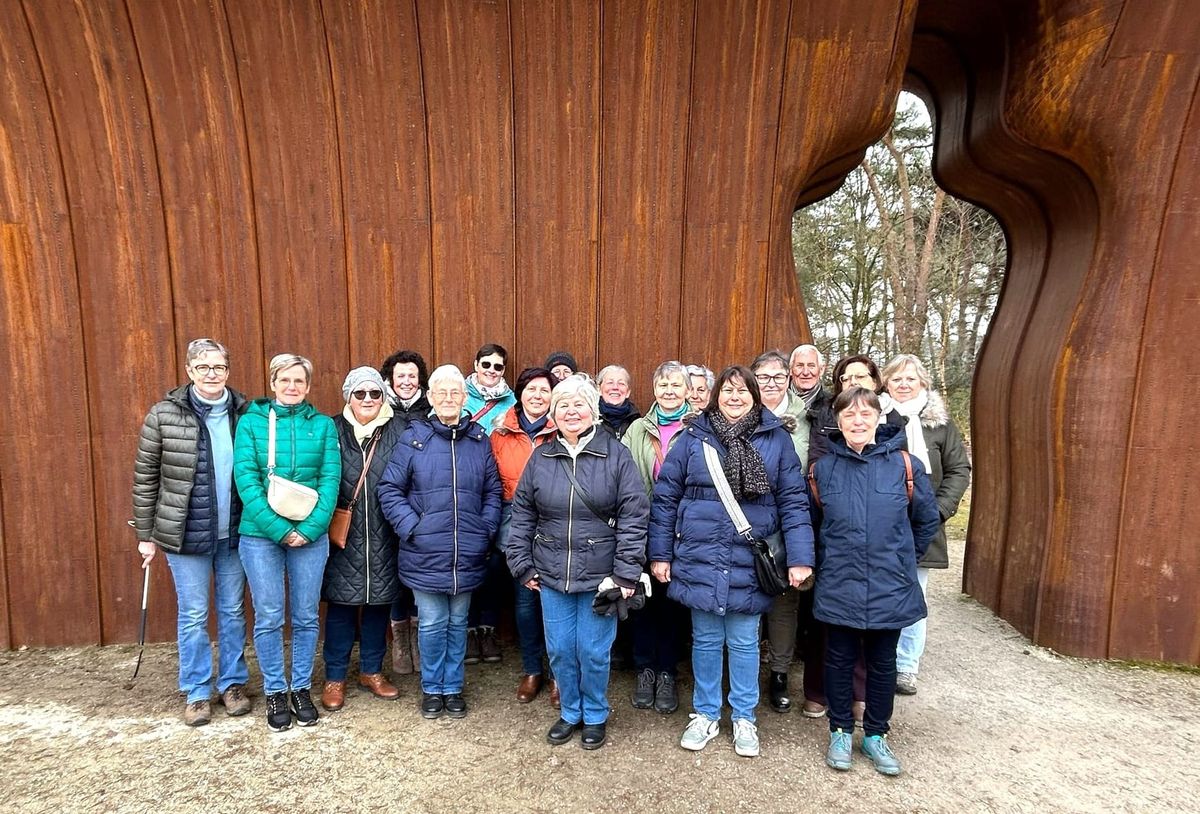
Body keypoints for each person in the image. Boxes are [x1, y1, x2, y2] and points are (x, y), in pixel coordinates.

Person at [649, 363, 814, 756]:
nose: (734, 397)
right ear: (714, 395)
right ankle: (705, 713)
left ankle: (743, 717)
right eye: (727, 391)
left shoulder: (776, 440)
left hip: (750, 558)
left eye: (743, 391)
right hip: (699, 553)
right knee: (705, 640)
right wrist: (660, 553)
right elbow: (666, 497)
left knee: (743, 642)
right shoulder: (693, 439)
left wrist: (800, 558)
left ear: (755, 396)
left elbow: (793, 502)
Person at [505, 375, 649, 750]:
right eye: (563, 405)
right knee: (560, 650)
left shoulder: (615, 454)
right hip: (551, 573)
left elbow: (634, 515)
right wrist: (521, 562)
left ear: (593, 410)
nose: (571, 411)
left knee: (593, 650)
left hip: (601, 575)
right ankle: (570, 711)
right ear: (554, 413)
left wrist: (625, 573)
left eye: (579, 404)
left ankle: (596, 713)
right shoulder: (542, 456)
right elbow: (521, 514)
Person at [808, 387, 940, 776]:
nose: (858, 421)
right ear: (838, 421)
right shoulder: (823, 469)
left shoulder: (905, 465)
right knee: (838, 660)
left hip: (890, 585)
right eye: (849, 415)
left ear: (879, 418)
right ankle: (840, 730)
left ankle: (877, 734)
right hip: (840, 583)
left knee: (883, 664)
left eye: (866, 414)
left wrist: (902, 560)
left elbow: (926, 519)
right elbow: (813, 525)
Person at [133, 338, 251, 727]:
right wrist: (146, 533)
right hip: (184, 534)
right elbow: (146, 477)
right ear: (189, 372)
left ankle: (232, 684)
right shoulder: (164, 415)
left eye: (218, 367)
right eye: (203, 368)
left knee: (233, 610)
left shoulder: (244, 413)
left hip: (233, 531)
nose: (211, 374)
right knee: (194, 613)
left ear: (228, 371)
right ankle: (198, 690)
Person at [377, 364, 503, 720]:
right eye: (441, 393)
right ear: (430, 398)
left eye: (455, 393)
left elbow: (493, 491)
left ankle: (454, 686)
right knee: (432, 622)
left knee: (458, 621)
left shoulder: (479, 440)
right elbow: (390, 489)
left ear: (465, 398)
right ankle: (433, 688)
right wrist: (412, 527)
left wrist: (485, 527)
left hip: (467, 549)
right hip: (424, 551)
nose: (448, 399)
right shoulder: (415, 438)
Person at [233, 353, 340, 732]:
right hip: (261, 535)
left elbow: (331, 481)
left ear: (308, 387)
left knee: (307, 615)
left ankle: (301, 687)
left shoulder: (324, 426)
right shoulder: (251, 423)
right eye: (284, 380)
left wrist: (309, 528)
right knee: (270, 615)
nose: (291, 387)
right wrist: (280, 529)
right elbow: (245, 479)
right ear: (273, 382)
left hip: (311, 535)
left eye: (299, 381)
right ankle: (276, 689)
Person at [880, 354, 971, 696]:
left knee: (913, 593)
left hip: (923, 522)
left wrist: (939, 510)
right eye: (897, 379)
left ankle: (906, 665)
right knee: (880, 591)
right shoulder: (876, 417)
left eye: (910, 379)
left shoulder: (940, 424)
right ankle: (880, 659)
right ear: (886, 383)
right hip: (882, 522)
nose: (903, 385)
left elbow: (959, 470)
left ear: (923, 383)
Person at [320, 367, 407, 712]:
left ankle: (371, 671)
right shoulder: (332, 429)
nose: (368, 400)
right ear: (348, 397)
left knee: (379, 605)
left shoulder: (399, 430)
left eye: (375, 393)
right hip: (344, 532)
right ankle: (335, 676)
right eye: (360, 394)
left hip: (386, 531)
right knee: (341, 606)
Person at [621, 360, 694, 714]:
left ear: (687, 390)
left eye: (675, 385)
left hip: (685, 532)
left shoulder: (698, 427)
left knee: (673, 604)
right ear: (654, 389)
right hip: (643, 528)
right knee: (643, 603)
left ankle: (666, 671)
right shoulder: (637, 429)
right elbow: (624, 476)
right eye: (663, 384)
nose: (668, 391)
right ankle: (645, 669)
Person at [490, 368, 559, 705]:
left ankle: (560, 675)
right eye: (531, 389)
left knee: (557, 604)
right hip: (515, 529)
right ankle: (533, 669)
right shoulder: (501, 433)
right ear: (520, 393)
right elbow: (491, 483)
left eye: (544, 390)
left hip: (557, 530)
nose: (537, 396)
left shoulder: (562, 430)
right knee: (525, 605)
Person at [750, 350, 811, 715]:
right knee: (751, 595)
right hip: (750, 521)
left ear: (788, 379)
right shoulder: (741, 415)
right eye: (763, 377)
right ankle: (748, 673)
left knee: (785, 602)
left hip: (790, 515)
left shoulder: (808, 418)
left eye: (777, 376)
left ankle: (779, 673)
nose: (770, 383)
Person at [380, 349, 430, 676]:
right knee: (395, 574)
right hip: (389, 503)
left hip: (424, 506)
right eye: (401, 376)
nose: (407, 382)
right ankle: (400, 638)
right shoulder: (381, 411)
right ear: (391, 380)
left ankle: (417, 637)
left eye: (412, 376)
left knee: (420, 574)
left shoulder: (431, 411)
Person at [465, 343, 515, 435]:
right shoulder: (458, 394)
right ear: (476, 365)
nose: (491, 370)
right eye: (486, 365)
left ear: (503, 370)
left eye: (497, 367)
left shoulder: (513, 402)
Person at [596, 364, 640, 440]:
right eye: (610, 383)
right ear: (599, 389)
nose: (615, 387)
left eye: (621, 383)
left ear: (628, 392)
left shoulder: (637, 421)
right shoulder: (591, 419)